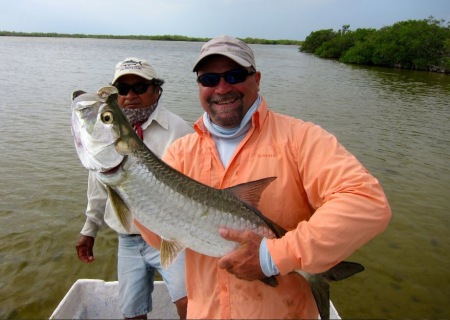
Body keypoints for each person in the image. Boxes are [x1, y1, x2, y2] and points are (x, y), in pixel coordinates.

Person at [137, 36, 392, 318]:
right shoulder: (180, 153)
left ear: (256, 79)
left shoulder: (301, 138)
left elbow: (368, 202)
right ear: (199, 86)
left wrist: (273, 257)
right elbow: (160, 240)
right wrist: (131, 191)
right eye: (209, 79)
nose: (221, 88)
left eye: (234, 75)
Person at [75, 57, 191, 319]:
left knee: (189, 303)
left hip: (168, 235)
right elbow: (98, 183)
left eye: (139, 87)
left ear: (156, 90)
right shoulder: (105, 134)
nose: (130, 95)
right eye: (123, 89)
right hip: (127, 240)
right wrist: (89, 229)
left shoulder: (180, 130)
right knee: (131, 311)